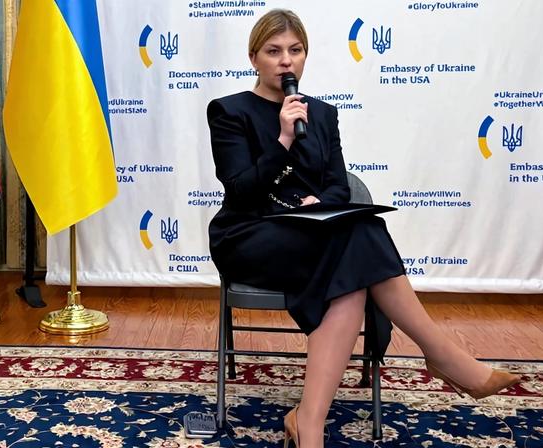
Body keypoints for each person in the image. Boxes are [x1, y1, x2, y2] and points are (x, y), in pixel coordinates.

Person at [206, 9, 521, 448]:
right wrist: (281, 141)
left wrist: (322, 202)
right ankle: (443, 355)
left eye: (295, 51)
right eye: (274, 51)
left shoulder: (323, 114)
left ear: (305, 57)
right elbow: (240, 191)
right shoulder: (228, 111)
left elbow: (338, 184)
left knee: (354, 254)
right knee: (359, 242)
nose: (286, 61)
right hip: (250, 233)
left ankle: (308, 423)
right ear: (253, 58)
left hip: (313, 234)